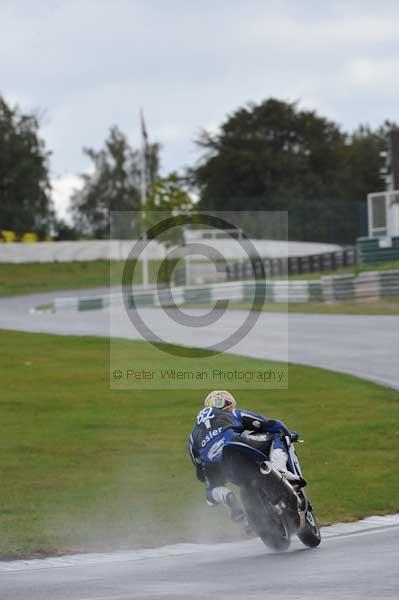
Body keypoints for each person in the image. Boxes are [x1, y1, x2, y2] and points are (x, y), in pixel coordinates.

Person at [188, 390, 303, 524]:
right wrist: (287, 433)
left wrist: (209, 477)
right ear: (227, 405)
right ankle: (281, 469)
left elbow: (199, 470)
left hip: (215, 464)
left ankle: (227, 497)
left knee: (211, 492)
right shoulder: (233, 413)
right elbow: (270, 424)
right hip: (234, 444)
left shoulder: (192, 436)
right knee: (278, 435)